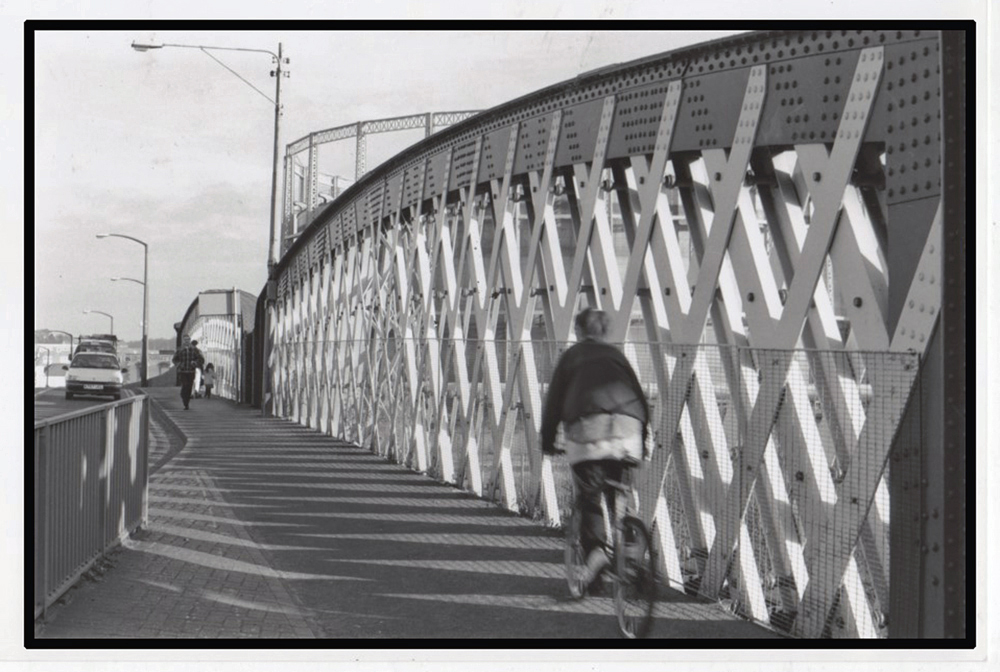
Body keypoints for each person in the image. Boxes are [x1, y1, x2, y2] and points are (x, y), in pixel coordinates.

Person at [540, 308, 651, 595]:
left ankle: (597, 553)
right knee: (620, 494)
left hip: (588, 429)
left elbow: (553, 404)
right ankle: (631, 551)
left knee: (589, 495)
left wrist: (548, 441)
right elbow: (639, 397)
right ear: (605, 332)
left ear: (578, 331)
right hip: (628, 430)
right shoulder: (618, 356)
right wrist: (644, 440)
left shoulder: (572, 356)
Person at [172, 335, 205, 410]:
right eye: (185, 340)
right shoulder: (180, 350)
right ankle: (184, 398)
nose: (186, 341)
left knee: (189, 386)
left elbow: (201, 360)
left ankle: (186, 402)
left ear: (190, 340)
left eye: (188, 340)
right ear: (183, 341)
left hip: (191, 371)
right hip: (182, 371)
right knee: (185, 385)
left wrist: (195, 363)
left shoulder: (194, 350)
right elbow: (174, 359)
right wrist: (179, 364)